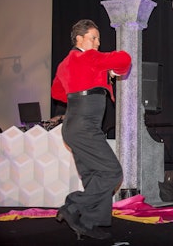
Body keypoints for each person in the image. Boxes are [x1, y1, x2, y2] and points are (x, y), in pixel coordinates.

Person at [51, 19, 131, 240]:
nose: (97, 43)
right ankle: (73, 206)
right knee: (111, 171)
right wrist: (110, 71)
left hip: (73, 123)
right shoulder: (88, 57)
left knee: (93, 173)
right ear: (79, 38)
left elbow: (57, 92)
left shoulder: (65, 63)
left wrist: (85, 82)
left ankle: (87, 223)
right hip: (85, 124)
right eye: (93, 38)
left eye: (98, 39)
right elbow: (124, 58)